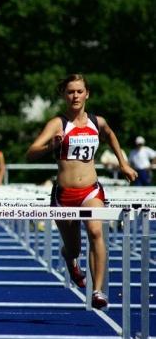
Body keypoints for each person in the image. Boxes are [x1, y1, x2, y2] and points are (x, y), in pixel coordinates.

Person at [26, 74, 136, 310]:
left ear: (87, 94)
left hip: (91, 191)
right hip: (64, 195)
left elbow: (110, 135)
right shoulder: (58, 123)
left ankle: (97, 290)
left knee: (96, 232)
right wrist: (51, 146)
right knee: (73, 247)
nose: (75, 96)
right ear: (64, 95)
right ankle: (70, 260)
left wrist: (123, 163)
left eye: (79, 91)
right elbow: (31, 152)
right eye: (70, 92)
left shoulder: (97, 122)